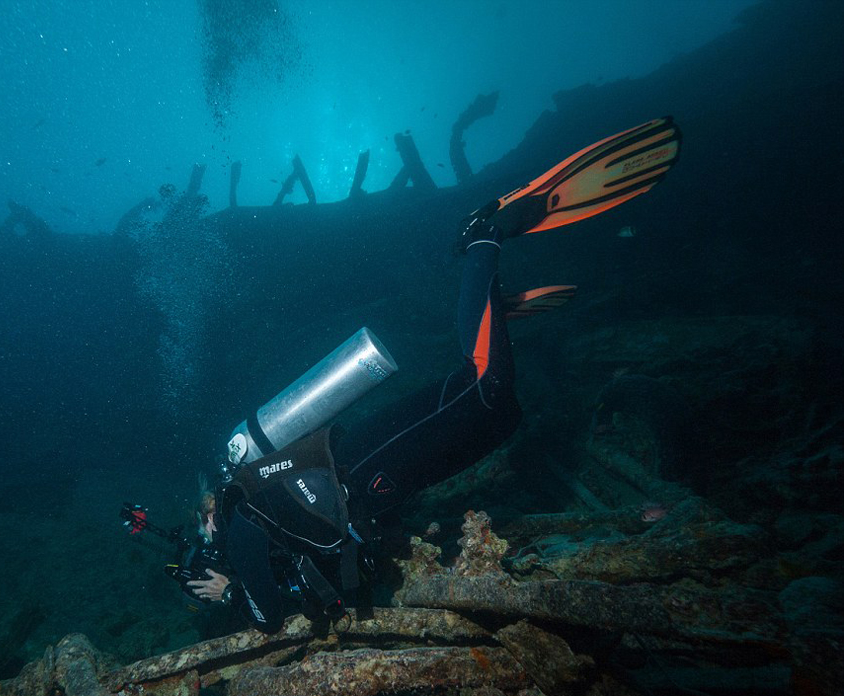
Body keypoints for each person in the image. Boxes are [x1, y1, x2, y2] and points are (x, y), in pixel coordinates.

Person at [186, 117, 682, 633]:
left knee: (486, 388)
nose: (208, 544)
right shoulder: (261, 519)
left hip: (361, 468)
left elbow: (267, 620)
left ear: (209, 514)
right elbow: (318, 578)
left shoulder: (243, 524)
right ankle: (496, 314)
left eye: (203, 532)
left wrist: (228, 593)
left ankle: (484, 237)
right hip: (369, 475)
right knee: (500, 418)